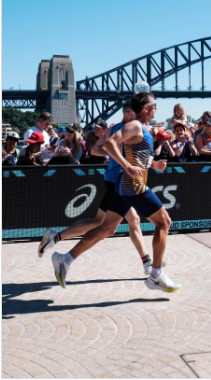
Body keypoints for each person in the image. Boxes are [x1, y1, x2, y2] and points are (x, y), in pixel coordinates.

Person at [51, 91, 180, 292]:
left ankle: (65, 259)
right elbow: (108, 144)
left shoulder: (144, 128)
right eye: (154, 104)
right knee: (164, 222)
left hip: (127, 185)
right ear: (145, 108)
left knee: (107, 228)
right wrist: (127, 166)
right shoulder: (136, 125)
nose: (156, 107)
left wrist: (153, 164)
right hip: (132, 186)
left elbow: (138, 156)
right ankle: (155, 274)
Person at [38, 100, 155, 275]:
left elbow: (95, 150)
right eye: (135, 114)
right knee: (105, 224)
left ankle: (147, 263)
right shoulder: (126, 129)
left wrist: (116, 155)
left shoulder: (113, 129)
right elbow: (100, 150)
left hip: (116, 179)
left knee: (125, 221)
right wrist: (122, 159)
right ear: (129, 114)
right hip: (119, 181)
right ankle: (58, 243)